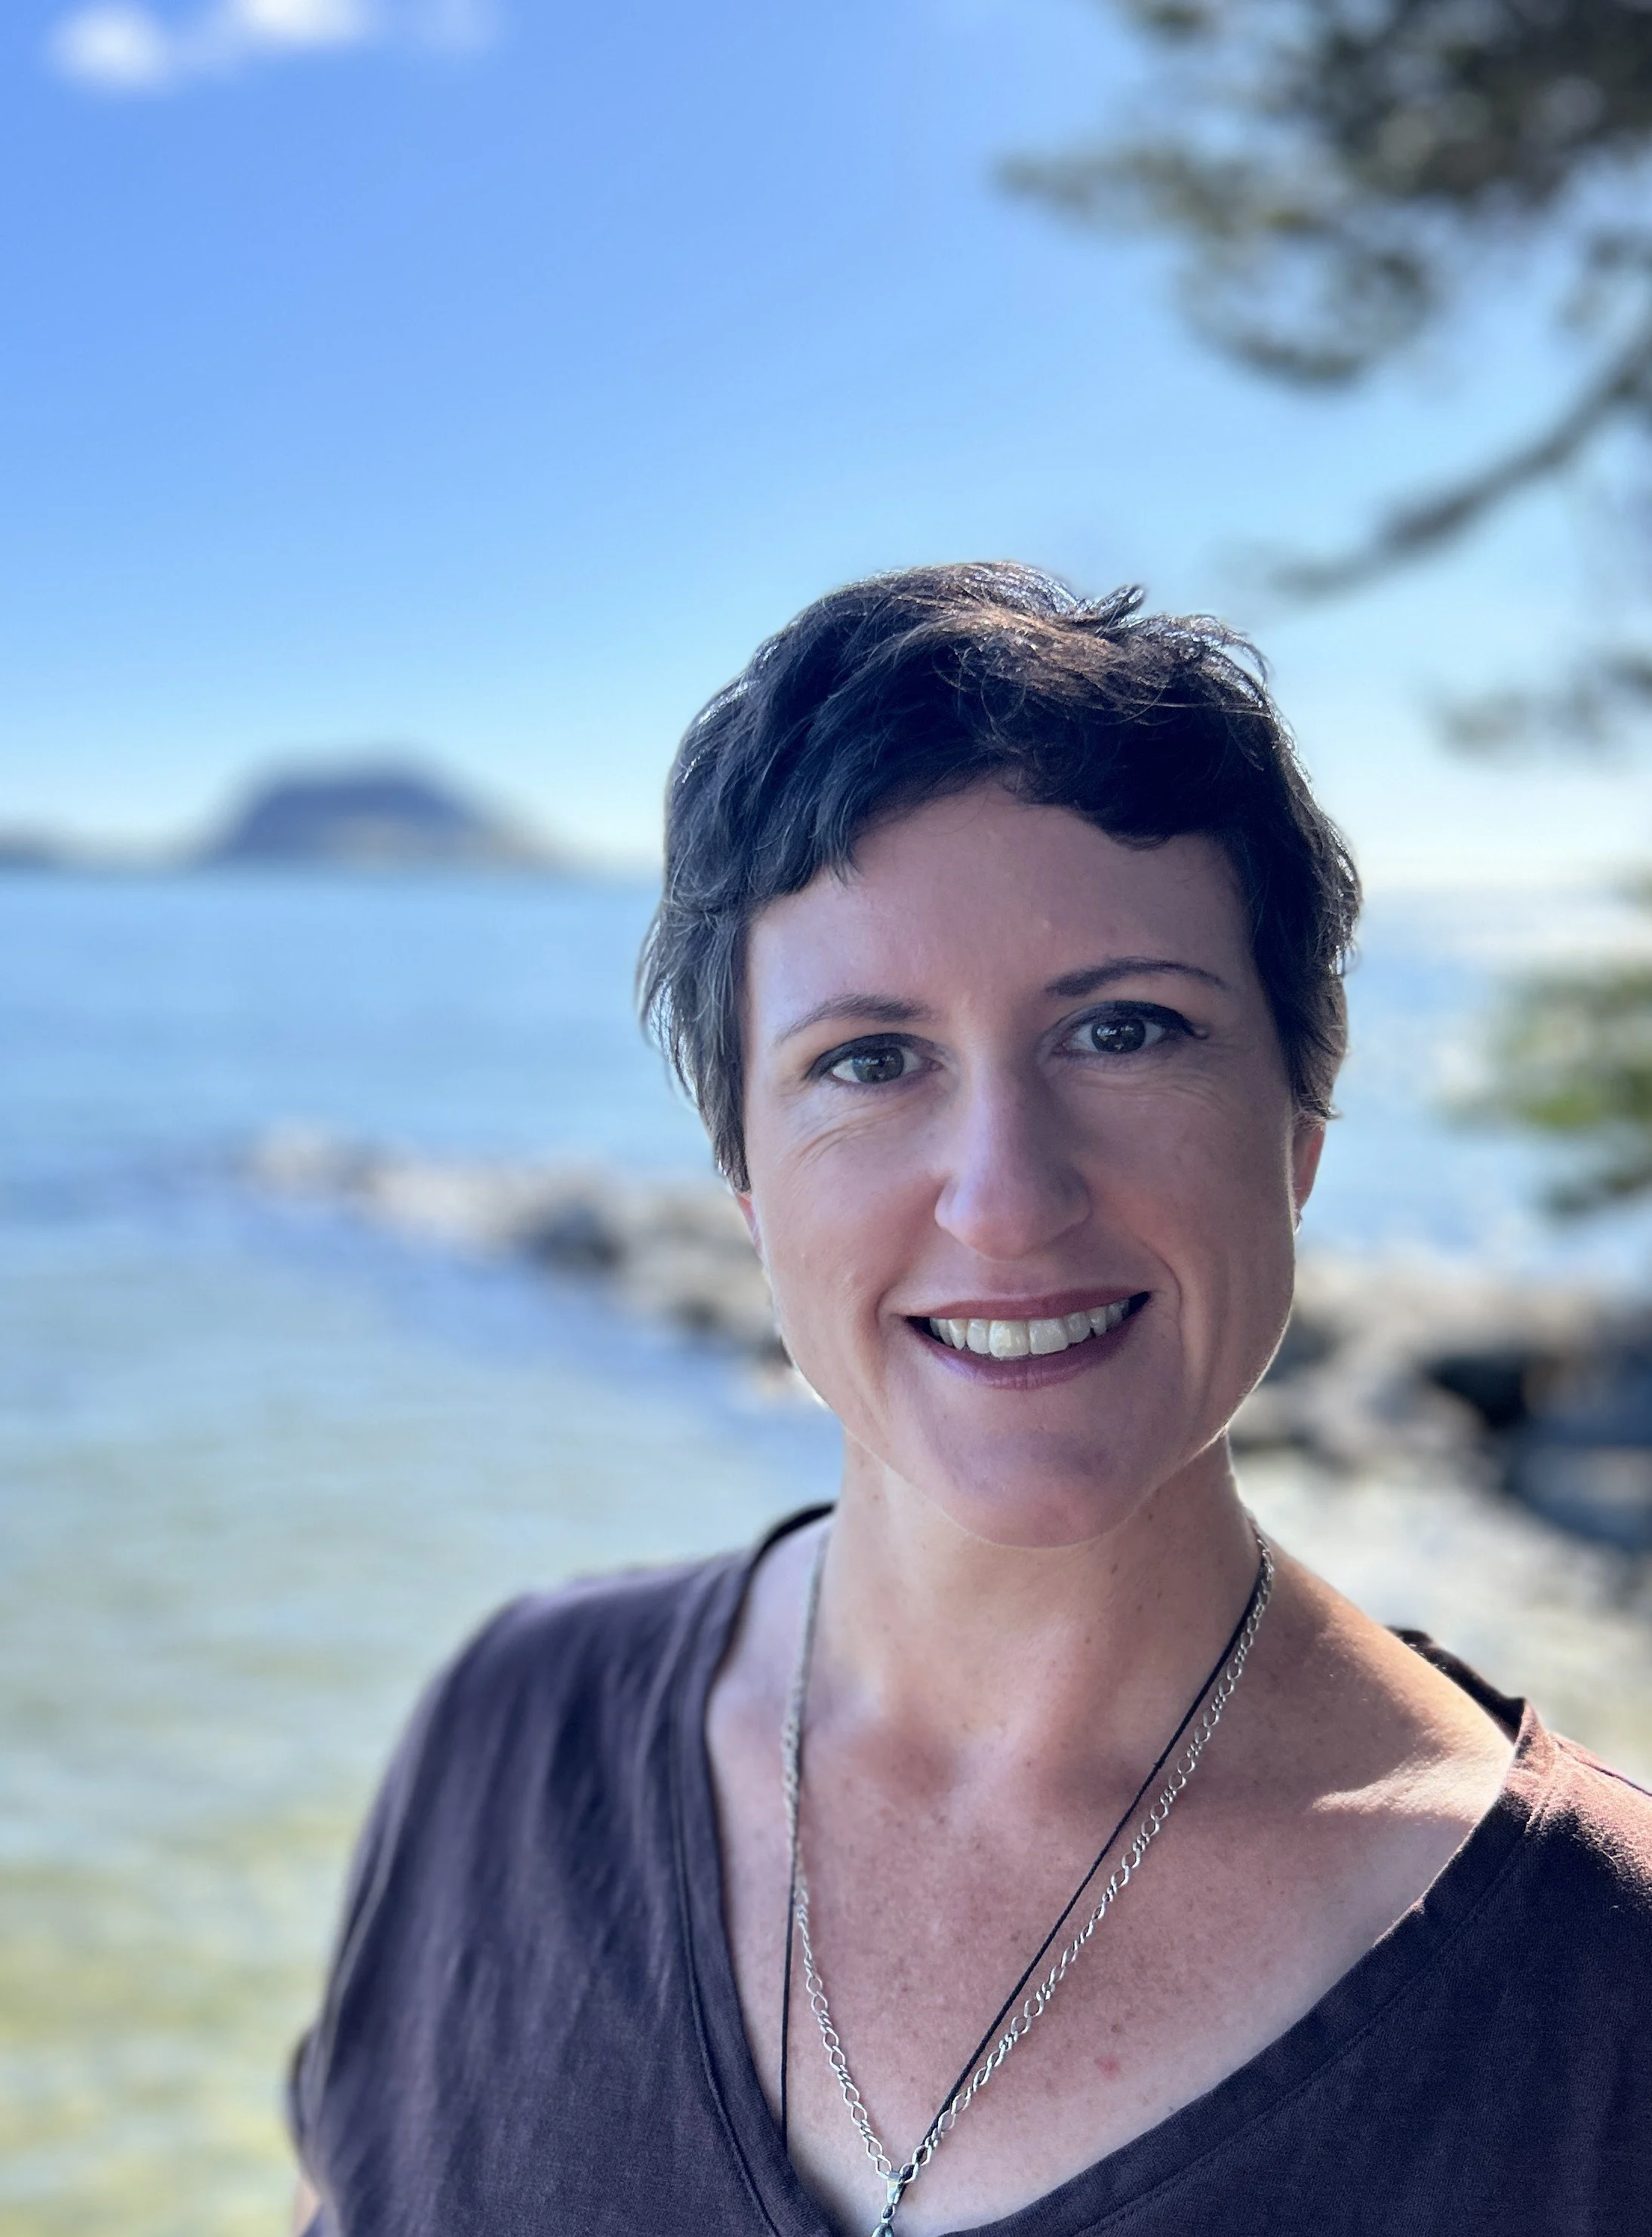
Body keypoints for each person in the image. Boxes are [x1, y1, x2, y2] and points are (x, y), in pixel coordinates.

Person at [289, 564, 1652, 2236]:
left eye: (1126, 1030)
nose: (1004, 1200)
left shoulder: (1601, 1995)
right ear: (744, 1183)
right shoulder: (512, 1742)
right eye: (867, 1059)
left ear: (1298, 1132)